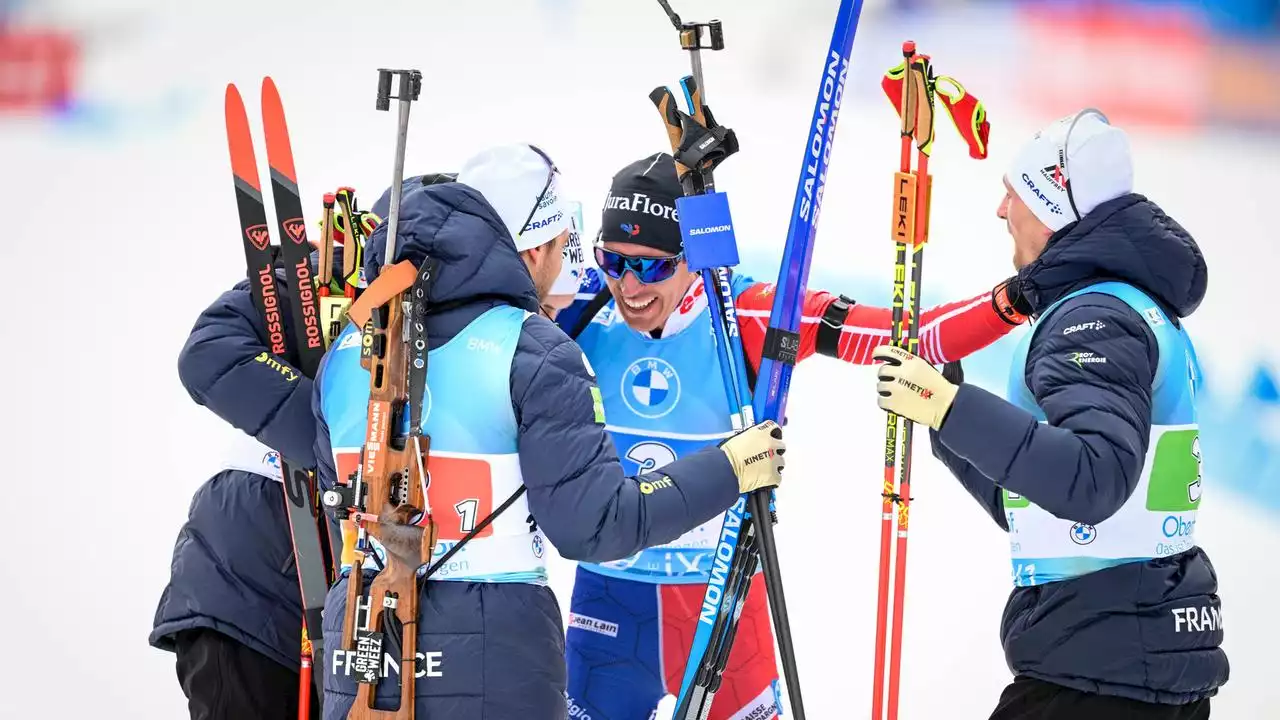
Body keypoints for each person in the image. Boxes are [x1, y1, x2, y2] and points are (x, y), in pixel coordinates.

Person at [312, 143, 788, 720]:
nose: (616, 283)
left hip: (364, 647)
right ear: (537, 247)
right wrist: (729, 467)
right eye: (583, 254)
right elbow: (596, 524)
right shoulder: (533, 346)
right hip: (495, 658)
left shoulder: (344, 350)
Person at [556, 152, 1033, 720]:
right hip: (607, 610)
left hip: (724, 612)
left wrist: (1021, 297)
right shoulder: (579, 309)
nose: (628, 285)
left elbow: (911, 332)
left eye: (653, 267)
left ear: (692, 258)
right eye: (612, 260)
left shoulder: (748, 316)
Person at [872, 110, 1225, 720]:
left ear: (1052, 206)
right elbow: (1045, 506)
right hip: (1125, 653)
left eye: (1014, 193)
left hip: (1098, 674)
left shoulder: (1094, 317)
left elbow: (1091, 480)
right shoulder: (1128, 307)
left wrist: (949, 407)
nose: (1001, 211)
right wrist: (945, 420)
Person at [150, 262, 331, 720]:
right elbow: (210, 352)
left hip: (326, 611)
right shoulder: (328, 280)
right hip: (250, 593)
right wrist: (328, 435)